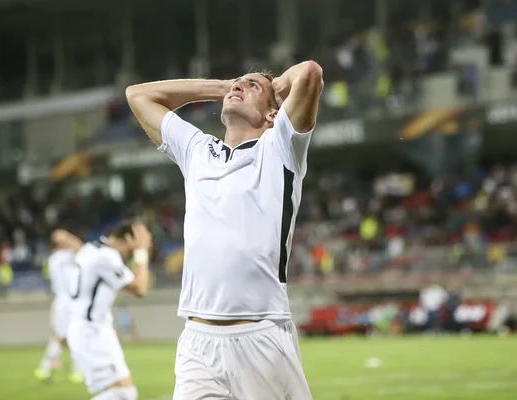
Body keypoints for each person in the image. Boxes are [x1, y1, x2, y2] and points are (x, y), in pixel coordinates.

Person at [126, 61, 323, 400]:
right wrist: (223, 87)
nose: (238, 87)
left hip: (260, 334)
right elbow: (138, 95)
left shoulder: (280, 148)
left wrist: (271, 86)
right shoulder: (197, 150)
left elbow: (309, 73)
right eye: (237, 84)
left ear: (273, 114)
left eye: (251, 86)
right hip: (197, 340)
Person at [53, 220, 152, 400]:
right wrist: (142, 252)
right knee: (124, 394)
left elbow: (80, 249)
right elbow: (140, 288)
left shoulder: (92, 248)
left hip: (89, 329)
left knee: (124, 393)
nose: (131, 254)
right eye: (133, 247)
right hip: (92, 332)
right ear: (129, 238)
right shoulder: (107, 257)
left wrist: (68, 238)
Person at [34, 237, 83, 383]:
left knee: (63, 336)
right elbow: (83, 250)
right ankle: (75, 371)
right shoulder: (65, 256)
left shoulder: (52, 259)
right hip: (69, 300)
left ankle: (46, 367)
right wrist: (69, 238)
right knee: (72, 335)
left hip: (60, 300)